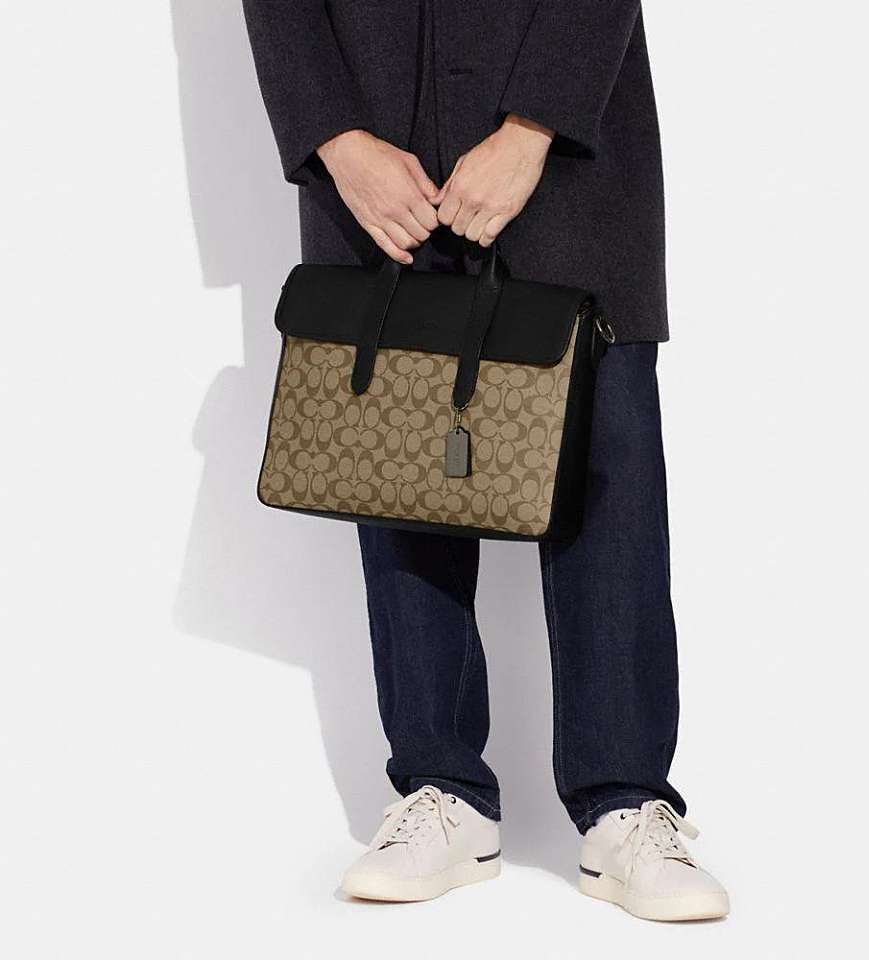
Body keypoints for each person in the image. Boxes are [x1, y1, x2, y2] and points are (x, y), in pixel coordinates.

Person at [242, 0, 729, 921]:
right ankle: (442, 791)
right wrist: (337, 138)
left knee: (607, 466)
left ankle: (626, 805)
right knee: (397, 470)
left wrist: (535, 124)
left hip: (571, 142)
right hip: (373, 148)